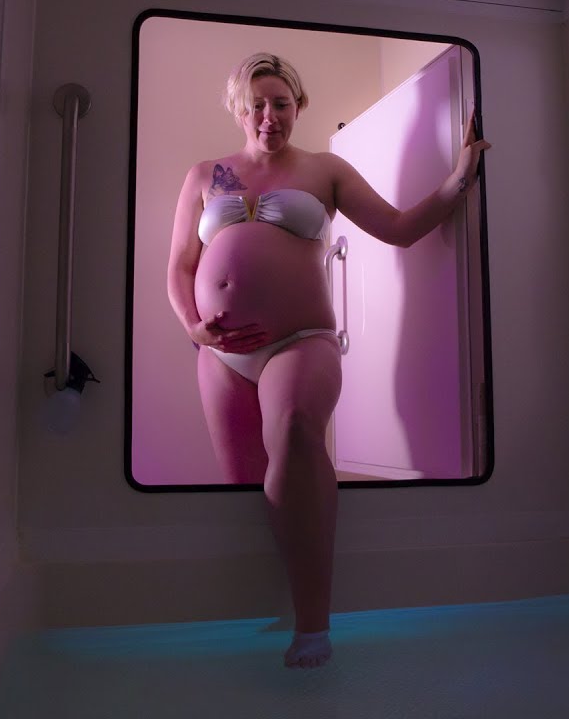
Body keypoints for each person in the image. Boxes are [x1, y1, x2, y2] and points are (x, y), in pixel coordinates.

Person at [167, 53, 490, 668]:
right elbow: (180, 265)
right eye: (257, 105)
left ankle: (313, 625)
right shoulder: (205, 175)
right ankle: (265, 614)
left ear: (299, 106)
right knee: (244, 492)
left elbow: (398, 228)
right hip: (221, 355)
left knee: (294, 431)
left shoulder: (325, 170)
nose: (269, 116)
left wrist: (457, 180)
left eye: (281, 103)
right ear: (239, 110)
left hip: (301, 340)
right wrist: (193, 326)